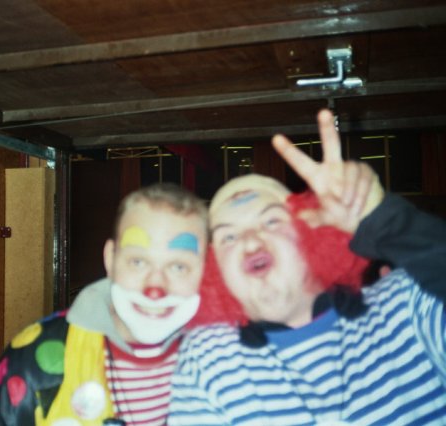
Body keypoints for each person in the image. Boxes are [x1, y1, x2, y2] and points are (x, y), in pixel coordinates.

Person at [168, 109, 446, 425]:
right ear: (217, 271)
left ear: (309, 236)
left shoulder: (404, 304)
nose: (250, 241)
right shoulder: (207, 358)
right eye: (228, 236)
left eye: (271, 221)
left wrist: (382, 219)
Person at [0, 183, 209, 425]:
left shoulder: (223, 361)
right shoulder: (35, 356)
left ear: (206, 270)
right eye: (138, 262)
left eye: (178, 267)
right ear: (110, 258)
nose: (155, 287)